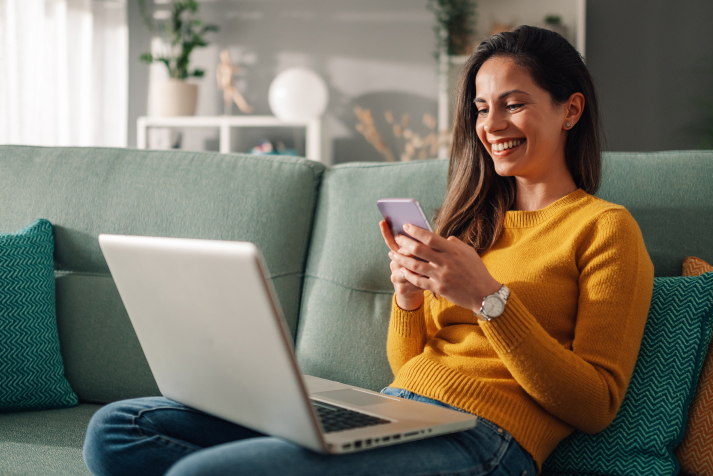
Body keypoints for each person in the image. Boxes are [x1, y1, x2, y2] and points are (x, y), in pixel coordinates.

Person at [82, 26, 653, 476]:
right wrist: (407, 299)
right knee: (118, 430)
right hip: (396, 411)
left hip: (486, 442)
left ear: (570, 110)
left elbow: (596, 404)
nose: (491, 124)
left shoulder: (604, 228)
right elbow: (410, 369)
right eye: (481, 108)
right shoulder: (468, 225)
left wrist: (490, 300)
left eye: (513, 103)